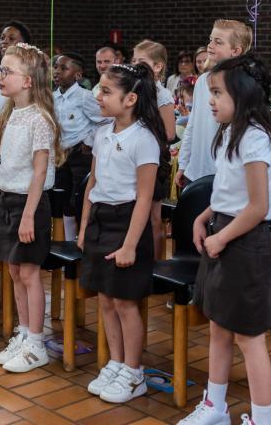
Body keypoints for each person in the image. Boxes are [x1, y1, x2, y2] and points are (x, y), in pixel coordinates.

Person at [180, 55, 271, 425]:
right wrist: (204, 217)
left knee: (249, 338)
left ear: (243, 95)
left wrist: (221, 237)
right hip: (222, 232)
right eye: (210, 92)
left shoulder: (255, 138)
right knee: (218, 327)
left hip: (245, 243)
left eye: (218, 92)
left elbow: (257, 207)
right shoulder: (230, 132)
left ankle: (260, 419)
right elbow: (228, 192)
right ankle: (215, 406)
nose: (210, 101)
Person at [79, 63, 165, 403]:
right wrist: (85, 225)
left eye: (105, 91)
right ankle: (116, 362)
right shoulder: (102, 133)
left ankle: (134, 371)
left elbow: (145, 197)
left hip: (128, 222)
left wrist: (130, 245)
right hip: (101, 218)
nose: (97, 96)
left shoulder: (143, 139)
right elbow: (93, 183)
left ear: (130, 99)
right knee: (105, 297)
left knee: (125, 303)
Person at [0, 43, 63, 373]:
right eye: (0, 70)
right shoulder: (10, 115)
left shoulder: (40, 120)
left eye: (7, 71)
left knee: (29, 273)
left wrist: (29, 214)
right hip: (7, 201)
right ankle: (23, 332)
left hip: (30, 204)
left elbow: (40, 171)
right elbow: (5, 169)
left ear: (28, 80)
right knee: (14, 272)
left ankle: (36, 342)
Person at [176, 20, 251, 190]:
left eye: (218, 42)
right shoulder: (202, 81)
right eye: (210, 40)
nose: (210, 45)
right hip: (195, 169)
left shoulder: (242, 84)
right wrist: (183, 163)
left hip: (224, 173)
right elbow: (193, 125)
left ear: (235, 51)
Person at [53, 52, 105, 240]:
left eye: (64, 68)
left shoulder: (85, 97)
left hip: (79, 154)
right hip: (60, 154)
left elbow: (104, 120)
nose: (57, 71)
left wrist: (88, 141)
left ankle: (84, 237)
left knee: (79, 198)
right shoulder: (53, 97)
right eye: (56, 67)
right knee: (64, 198)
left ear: (78, 75)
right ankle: (67, 240)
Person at [132, 40, 176, 259]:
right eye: (133, 61)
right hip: (134, 158)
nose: (135, 65)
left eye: (141, 61)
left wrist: (142, 131)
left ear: (157, 67)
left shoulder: (163, 95)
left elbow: (169, 133)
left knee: (153, 216)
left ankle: (158, 264)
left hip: (155, 158)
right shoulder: (135, 90)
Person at [0, 20, 32, 153]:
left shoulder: (29, 72)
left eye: (11, 38)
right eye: (2, 38)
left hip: (17, 135)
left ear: (23, 44)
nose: (4, 41)